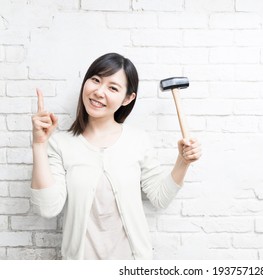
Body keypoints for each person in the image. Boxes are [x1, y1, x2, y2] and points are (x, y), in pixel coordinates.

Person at [30, 53, 202, 260]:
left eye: (113, 88)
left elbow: (160, 198)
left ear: (128, 98)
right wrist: (39, 145)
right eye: (95, 80)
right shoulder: (61, 144)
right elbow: (48, 208)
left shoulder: (138, 140)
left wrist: (183, 162)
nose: (99, 92)